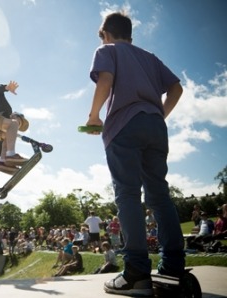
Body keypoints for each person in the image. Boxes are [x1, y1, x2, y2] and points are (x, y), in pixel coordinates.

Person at [85, 12, 185, 296]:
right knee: (159, 195)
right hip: (155, 126)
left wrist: (94, 116)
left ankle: (136, 271)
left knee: (128, 194)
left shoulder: (107, 50)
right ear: (130, 33)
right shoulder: (150, 57)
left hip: (124, 127)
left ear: (105, 33)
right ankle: (173, 265)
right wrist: (158, 114)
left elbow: (105, 80)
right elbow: (176, 88)